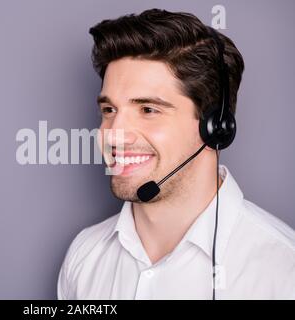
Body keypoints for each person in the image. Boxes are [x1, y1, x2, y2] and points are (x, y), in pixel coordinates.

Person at [57, 9, 295, 299]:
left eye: (148, 110)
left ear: (215, 128)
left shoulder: (283, 270)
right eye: (109, 110)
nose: (114, 134)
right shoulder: (84, 256)